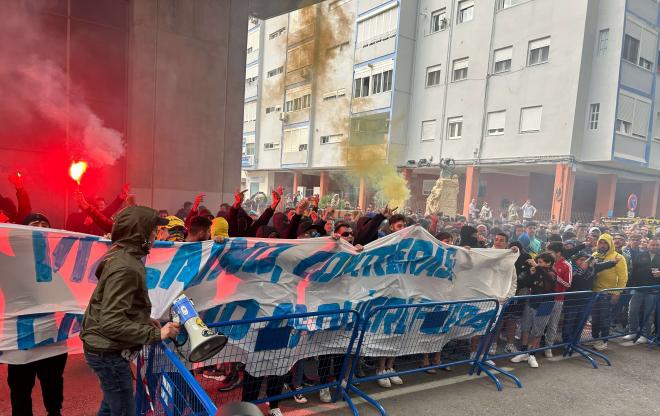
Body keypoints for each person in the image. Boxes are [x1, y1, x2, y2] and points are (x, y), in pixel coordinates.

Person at [81, 206, 179, 416]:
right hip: (108, 352)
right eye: (154, 230)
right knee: (124, 410)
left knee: (111, 404)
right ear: (140, 234)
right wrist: (155, 333)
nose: (157, 235)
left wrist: (143, 319)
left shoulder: (122, 256)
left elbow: (116, 306)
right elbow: (111, 322)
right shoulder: (126, 266)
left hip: (104, 348)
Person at [7, 213, 69, 416]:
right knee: (20, 391)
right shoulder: (8, 264)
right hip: (20, 340)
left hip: (50, 338)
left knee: (53, 389)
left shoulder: (61, 264)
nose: (41, 229)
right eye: (35, 225)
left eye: (46, 225)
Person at [511, 252, 558, 368]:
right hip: (531, 303)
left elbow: (549, 279)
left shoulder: (552, 273)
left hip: (545, 305)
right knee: (525, 327)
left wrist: (537, 267)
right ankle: (523, 352)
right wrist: (531, 274)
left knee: (538, 331)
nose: (538, 264)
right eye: (538, 262)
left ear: (549, 263)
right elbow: (525, 283)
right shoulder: (536, 271)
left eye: (541, 262)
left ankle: (532, 354)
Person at [590, 233, 628, 351]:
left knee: (604, 318)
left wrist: (617, 293)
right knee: (595, 318)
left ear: (610, 244)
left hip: (607, 293)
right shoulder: (594, 255)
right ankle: (595, 338)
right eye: (600, 242)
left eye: (605, 243)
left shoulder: (618, 257)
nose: (602, 245)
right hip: (593, 293)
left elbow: (623, 277)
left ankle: (604, 340)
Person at [623, 238, 660, 344]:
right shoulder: (641, 255)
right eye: (652, 245)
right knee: (632, 311)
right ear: (648, 245)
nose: (654, 247)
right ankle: (632, 332)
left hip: (654, 290)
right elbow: (633, 271)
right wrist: (629, 286)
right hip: (638, 288)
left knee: (648, 314)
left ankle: (645, 334)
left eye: (657, 245)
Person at [542, 242, 572, 358]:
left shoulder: (566, 265)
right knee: (540, 323)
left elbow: (568, 284)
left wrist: (555, 275)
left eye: (550, 252)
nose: (547, 254)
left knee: (553, 324)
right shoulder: (546, 261)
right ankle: (534, 347)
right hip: (544, 297)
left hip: (558, 299)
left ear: (558, 253)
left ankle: (548, 347)